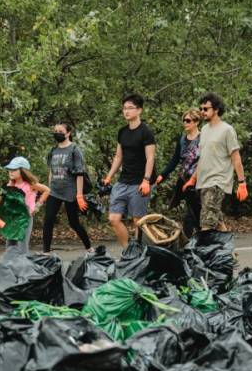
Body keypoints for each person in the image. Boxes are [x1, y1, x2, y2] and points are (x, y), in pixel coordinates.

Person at [183, 92, 247, 231]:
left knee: (207, 223)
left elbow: (236, 157)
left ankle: (204, 252)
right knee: (217, 221)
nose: (202, 112)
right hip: (203, 182)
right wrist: (193, 179)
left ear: (216, 109)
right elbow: (203, 157)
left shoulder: (227, 130)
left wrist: (242, 183)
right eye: (201, 109)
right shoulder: (204, 130)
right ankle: (229, 252)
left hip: (217, 182)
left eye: (205, 109)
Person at [103, 94, 156, 247]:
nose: (126, 111)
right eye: (124, 108)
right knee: (114, 219)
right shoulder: (122, 132)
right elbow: (118, 157)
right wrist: (109, 176)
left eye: (130, 108)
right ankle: (128, 250)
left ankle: (138, 252)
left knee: (138, 221)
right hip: (123, 181)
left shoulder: (146, 132)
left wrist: (146, 180)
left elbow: (150, 158)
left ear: (139, 110)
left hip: (140, 182)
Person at [43, 122, 94, 253]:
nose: (57, 133)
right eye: (55, 131)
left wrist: (79, 195)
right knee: (48, 220)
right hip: (54, 191)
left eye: (60, 131)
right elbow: (51, 171)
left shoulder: (74, 150)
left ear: (68, 133)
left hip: (70, 192)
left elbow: (80, 174)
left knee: (74, 222)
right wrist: (49, 189)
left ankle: (89, 247)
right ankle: (46, 252)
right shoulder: (53, 151)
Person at [155, 108, 203, 238]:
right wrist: (162, 175)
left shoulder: (203, 138)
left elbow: (206, 160)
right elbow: (175, 159)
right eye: (184, 120)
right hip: (184, 180)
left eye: (188, 120)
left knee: (195, 213)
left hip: (198, 180)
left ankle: (198, 241)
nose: (185, 123)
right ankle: (192, 241)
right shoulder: (182, 139)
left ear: (196, 122)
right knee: (191, 212)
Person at [3, 156, 50, 253]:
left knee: (22, 246)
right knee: (10, 246)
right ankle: (10, 266)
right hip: (12, 220)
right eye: (10, 170)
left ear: (23, 171)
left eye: (14, 169)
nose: (10, 172)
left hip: (25, 219)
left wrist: (36, 206)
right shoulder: (10, 185)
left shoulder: (31, 184)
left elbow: (47, 190)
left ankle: (24, 267)